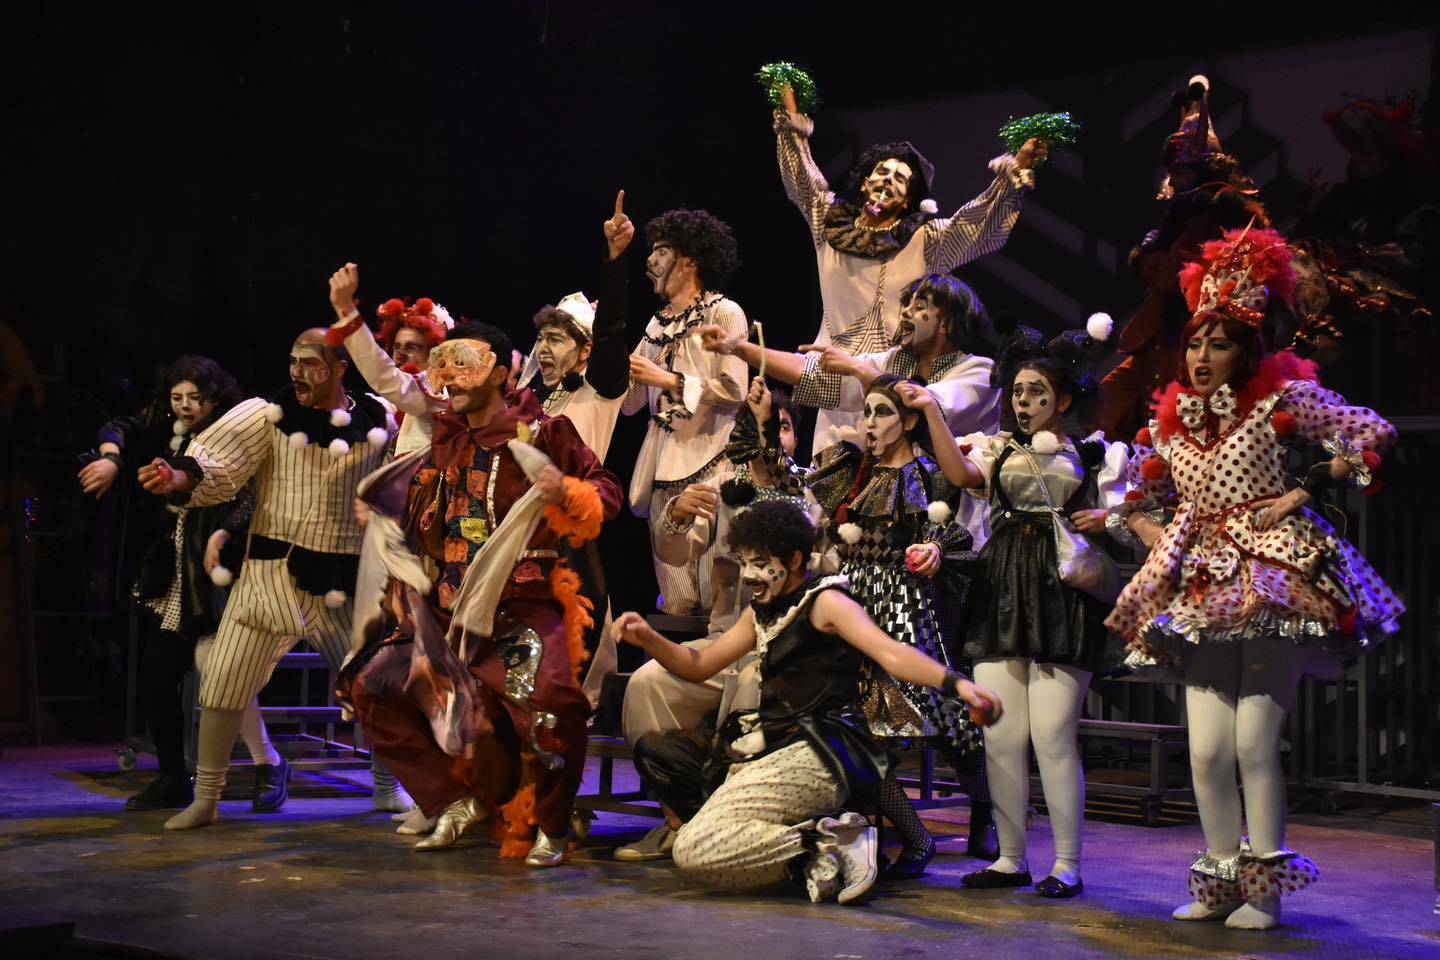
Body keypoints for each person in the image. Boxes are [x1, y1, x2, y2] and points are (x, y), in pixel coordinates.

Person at [1107, 226, 1404, 929]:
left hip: (1274, 572)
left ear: (1245, 352)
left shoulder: (1279, 403)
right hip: (1200, 582)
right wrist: (1146, 528)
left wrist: (1307, 487)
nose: (1201, 357)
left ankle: (1265, 889)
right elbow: (1141, 499)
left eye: (1218, 345)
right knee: (1207, 748)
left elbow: (1373, 432)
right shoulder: (1169, 426)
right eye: (1195, 344)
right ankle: (1220, 882)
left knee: (1252, 742)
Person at [613, 498, 1002, 903]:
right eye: (744, 562)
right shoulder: (762, 611)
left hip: (819, 752)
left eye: (760, 562)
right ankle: (821, 851)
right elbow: (699, 665)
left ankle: (831, 843)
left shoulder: (826, 602)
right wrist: (649, 639)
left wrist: (959, 685)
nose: (748, 575)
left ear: (795, 559)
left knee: (693, 850)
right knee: (664, 755)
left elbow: (891, 653)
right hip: (773, 746)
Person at [340, 324, 623, 866]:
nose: (450, 380)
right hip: (449, 609)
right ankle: (453, 800)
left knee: (552, 709)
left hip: (520, 605)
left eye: (463, 366)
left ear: (498, 373)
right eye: (443, 369)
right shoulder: (446, 438)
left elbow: (605, 488)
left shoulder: (541, 433)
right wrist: (389, 516)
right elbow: (428, 517)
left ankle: (552, 825)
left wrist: (569, 490)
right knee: (369, 684)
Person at [137, 328, 396, 830]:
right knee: (223, 682)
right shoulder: (266, 415)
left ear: (340, 369)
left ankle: (389, 786)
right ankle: (206, 798)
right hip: (268, 577)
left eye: (311, 363)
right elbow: (217, 464)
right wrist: (178, 477)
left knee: (376, 686)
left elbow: (404, 474)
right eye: (294, 361)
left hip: (342, 582)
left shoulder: (377, 417)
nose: (298, 372)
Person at [938, 313, 1129, 900]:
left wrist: (1107, 518)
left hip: (1061, 594)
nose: (1023, 402)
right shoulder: (997, 449)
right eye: (1018, 391)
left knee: (1052, 735)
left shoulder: (1093, 455)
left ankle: (1067, 864)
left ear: (1063, 400)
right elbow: (959, 473)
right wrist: (930, 414)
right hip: (1001, 589)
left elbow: (1134, 516)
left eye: (1036, 392)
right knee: (1000, 732)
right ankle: (1010, 858)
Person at [769, 81, 1044, 451]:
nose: (888, 180)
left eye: (900, 178)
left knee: (894, 474)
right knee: (831, 476)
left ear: (908, 199)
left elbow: (974, 226)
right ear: (864, 183)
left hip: (896, 380)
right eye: (882, 172)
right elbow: (804, 183)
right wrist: (792, 123)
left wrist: (1014, 175)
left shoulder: (924, 239)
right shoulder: (830, 225)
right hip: (834, 378)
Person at [616, 385, 812, 862]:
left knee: (752, 687)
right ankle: (677, 819)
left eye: (781, 427)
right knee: (647, 684)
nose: (767, 437)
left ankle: (746, 825)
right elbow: (676, 552)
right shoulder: (726, 492)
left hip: (790, 653)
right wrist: (675, 515)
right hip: (726, 644)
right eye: (754, 427)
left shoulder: (811, 492)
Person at [78, 356, 282, 811]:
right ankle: (173, 777)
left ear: (215, 398)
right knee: (156, 676)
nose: (186, 406)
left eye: (196, 398)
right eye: (177, 398)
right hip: (178, 570)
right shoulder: (167, 422)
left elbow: (252, 495)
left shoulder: (238, 429)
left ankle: (267, 764)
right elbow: (120, 426)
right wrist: (110, 458)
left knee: (220, 671)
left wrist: (224, 533)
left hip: (224, 566)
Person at [702, 272, 1000, 542]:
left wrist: (858, 369)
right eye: (907, 305)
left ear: (946, 323)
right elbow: (809, 372)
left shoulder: (979, 372)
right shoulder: (895, 362)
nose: (906, 312)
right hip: (897, 517)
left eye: (919, 306)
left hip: (951, 523)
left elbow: (916, 405)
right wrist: (737, 347)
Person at [1099, 75, 1271, 440]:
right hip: (1164, 332)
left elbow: (1178, 274)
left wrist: (1145, 258)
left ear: (1201, 173)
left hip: (1192, 334)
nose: (1174, 179)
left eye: (1182, 171)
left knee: (1171, 420)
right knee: (1109, 402)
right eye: (1173, 171)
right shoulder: (1184, 212)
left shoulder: (1214, 212)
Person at [623, 209, 748, 615]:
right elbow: (630, 403)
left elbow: (734, 390)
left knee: (717, 599)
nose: (650, 260)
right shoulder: (656, 326)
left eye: (661, 251)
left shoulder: (723, 313)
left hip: (714, 464)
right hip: (662, 471)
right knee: (676, 603)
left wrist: (670, 380)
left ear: (689, 260)